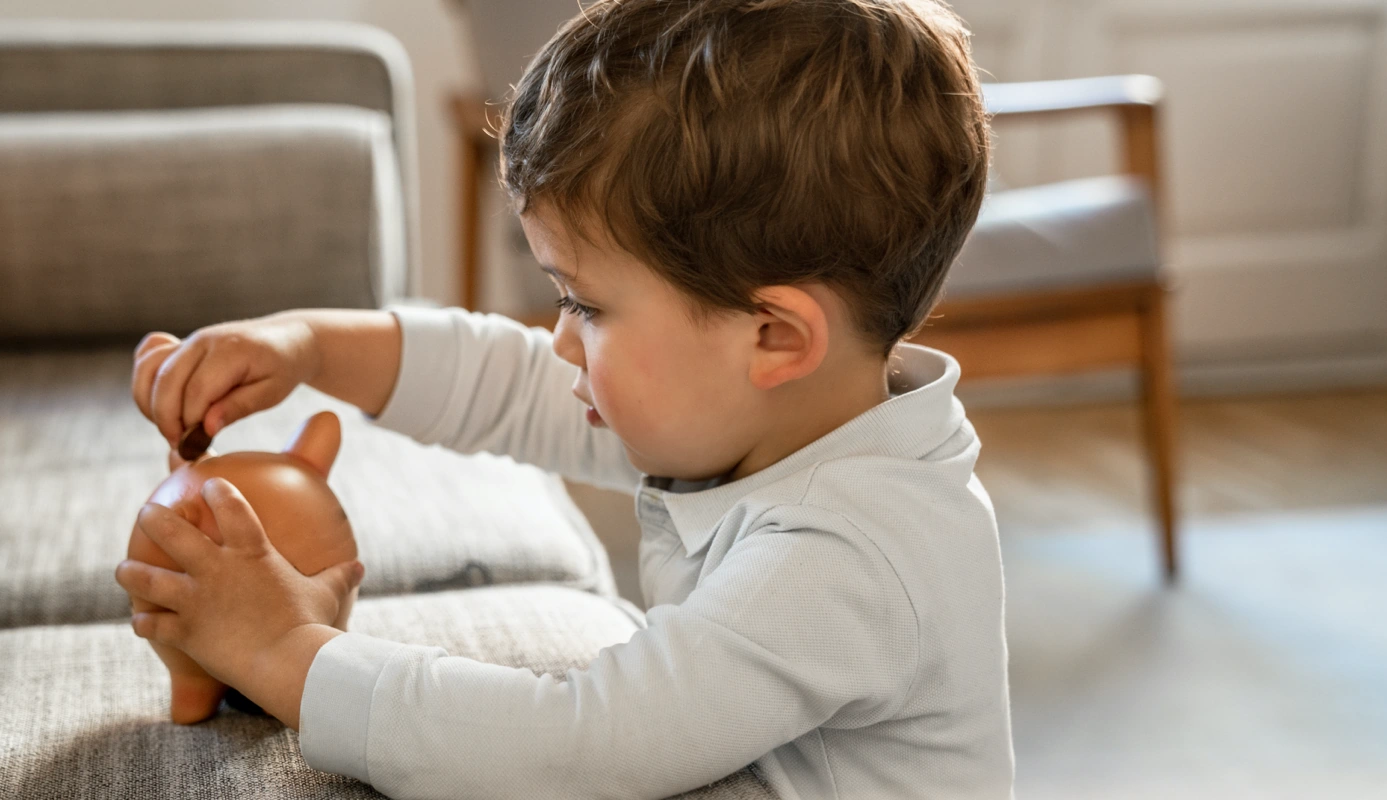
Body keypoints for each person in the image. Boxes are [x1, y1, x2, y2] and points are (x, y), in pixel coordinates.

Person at [115, 0, 1010, 796]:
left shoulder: (850, 555)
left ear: (774, 337)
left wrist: (284, 654)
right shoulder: (765, 408)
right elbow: (502, 382)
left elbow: (579, 749)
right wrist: (309, 346)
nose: (560, 338)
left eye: (586, 302)